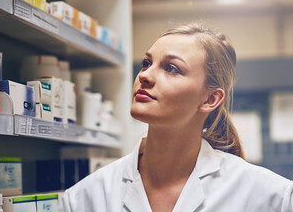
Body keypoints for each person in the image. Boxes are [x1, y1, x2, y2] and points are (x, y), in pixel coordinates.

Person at [58, 22, 293, 212]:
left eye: (171, 68)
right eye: (146, 63)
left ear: (210, 99)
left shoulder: (272, 198)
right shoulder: (85, 199)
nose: (145, 76)